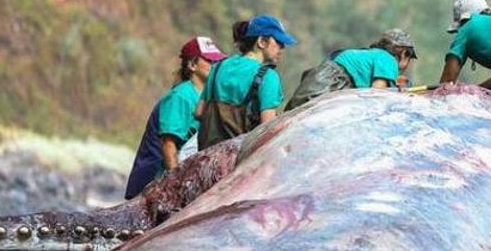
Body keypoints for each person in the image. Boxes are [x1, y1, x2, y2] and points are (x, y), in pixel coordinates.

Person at [124, 36, 227, 199]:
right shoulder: (180, 97)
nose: (215, 66)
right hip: (155, 183)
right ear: (192, 65)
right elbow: (168, 145)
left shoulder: (205, 97)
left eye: (217, 61)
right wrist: (176, 188)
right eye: (209, 61)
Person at [195, 14, 297, 150]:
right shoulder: (268, 77)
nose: (282, 47)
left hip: (207, 158)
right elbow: (268, 132)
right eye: (278, 42)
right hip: (239, 163)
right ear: (262, 42)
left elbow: (199, 112)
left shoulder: (218, 67)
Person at [285, 28, 417, 111]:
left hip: (319, 78)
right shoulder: (388, 59)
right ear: (404, 53)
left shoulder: (371, 55)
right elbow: (377, 94)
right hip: (330, 83)